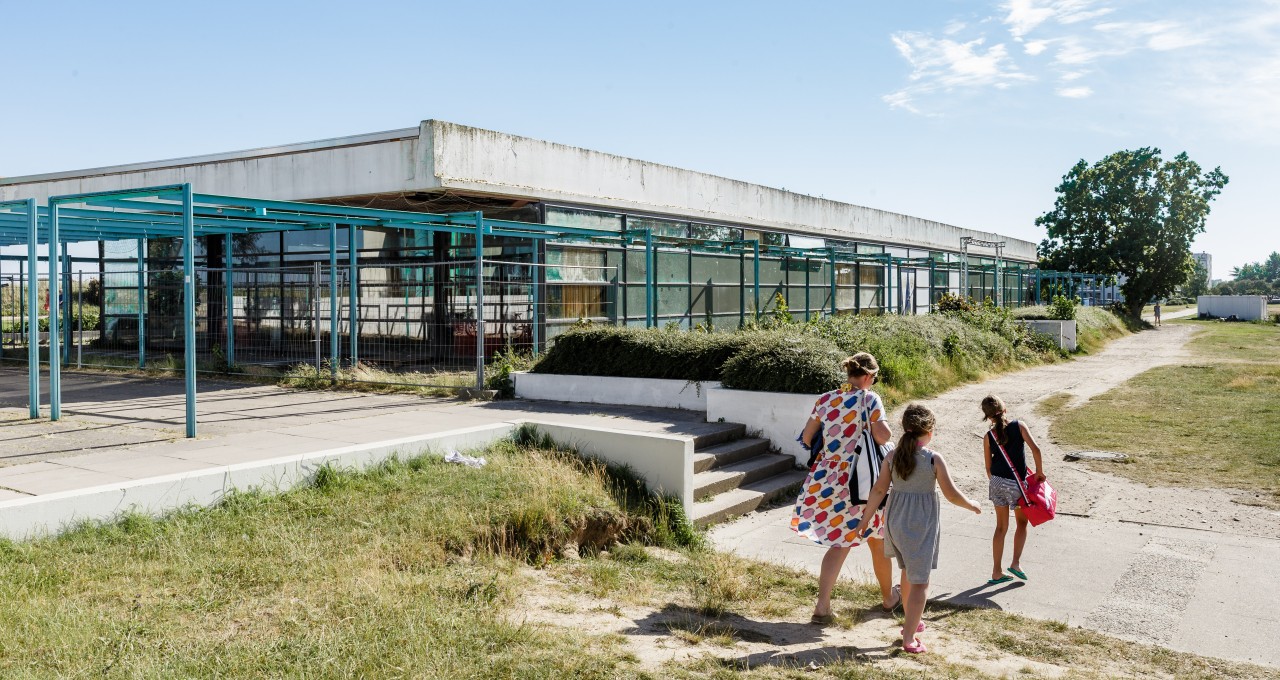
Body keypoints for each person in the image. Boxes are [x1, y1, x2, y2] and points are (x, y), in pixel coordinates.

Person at [852, 403, 982, 654]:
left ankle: (912, 619)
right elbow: (951, 494)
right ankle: (909, 637)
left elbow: (879, 490)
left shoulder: (892, 456)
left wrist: (865, 520)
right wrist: (972, 504)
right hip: (919, 524)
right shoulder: (933, 459)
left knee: (907, 571)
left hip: (895, 522)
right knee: (921, 582)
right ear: (929, 431)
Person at [794, 352, 899, 624]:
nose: (872, 382)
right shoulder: (869, 399)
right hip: (864, 481)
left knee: (841, 543)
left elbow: (807, 437)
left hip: (830, 479)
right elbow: (883, 435)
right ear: (867, 376)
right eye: (873, 378)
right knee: (878, 540)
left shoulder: (826, 399)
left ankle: (823, 606)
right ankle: (889, 599)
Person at [980, 394, 1046, 585]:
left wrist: (997, 482)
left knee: (1000, 528)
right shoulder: (1019, 426)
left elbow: (988, 467)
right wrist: (1039, 472)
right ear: (1005, 408)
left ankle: (996, 572)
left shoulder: (988, 436)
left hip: (997, 483)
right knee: (1021, 524)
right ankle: (1015, 563)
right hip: (1017, 485)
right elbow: (1036, 450)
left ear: (988, 417)